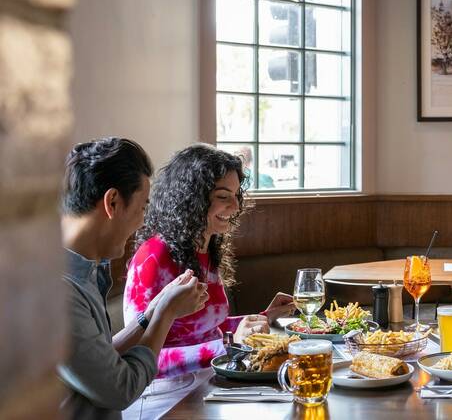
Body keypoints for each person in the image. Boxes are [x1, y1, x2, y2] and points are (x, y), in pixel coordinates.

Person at [57, 137, 209, 420]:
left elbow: (100, 360)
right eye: (142, 208)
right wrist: (166, 314)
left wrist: (150, 314)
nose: (142, 221)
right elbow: (120, 389)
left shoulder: (83, 271)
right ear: (112, 202)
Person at [122, 144, 295, 390]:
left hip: (208, 385)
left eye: (236, 196)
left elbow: (208, 331)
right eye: (223, 196)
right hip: (164, 396)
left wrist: (264, 318)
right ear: (191, 197)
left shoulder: (206, 248)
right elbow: (138, 359)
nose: (235, 207)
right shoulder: (154, 255)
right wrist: (229, 344)